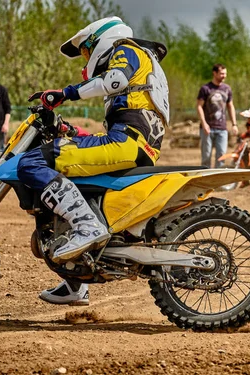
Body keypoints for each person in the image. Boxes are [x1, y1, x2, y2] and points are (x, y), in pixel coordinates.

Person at [17, 16, 169, 305]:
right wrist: (71, 131)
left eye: (86, 50)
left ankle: (88, 228)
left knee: (32, 163)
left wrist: (65, 93)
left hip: (128, 142)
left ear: (102, 39)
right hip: (130, 141)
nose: (87, 58)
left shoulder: (126, 50)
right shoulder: (136, 63)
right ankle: (76, 280)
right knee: (72, 182)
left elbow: (114, 80)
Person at [197, 64, 238, 168]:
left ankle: (218, 183)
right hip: (207, 128)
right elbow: (199, 107)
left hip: (222, 129)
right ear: (214, 73)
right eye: (221, 73)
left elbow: (230, 106)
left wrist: (234, 124)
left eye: (225, 74)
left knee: (221, 156)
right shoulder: (205, 89)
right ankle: (206, 181)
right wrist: (204, 123)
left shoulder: (227, 89)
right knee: (206, 156)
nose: (224, 76)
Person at [0, 69, 11, 152]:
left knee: (0, 149)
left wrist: (6, 124)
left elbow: (8, 108)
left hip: (0, 125)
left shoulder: (2, 90)